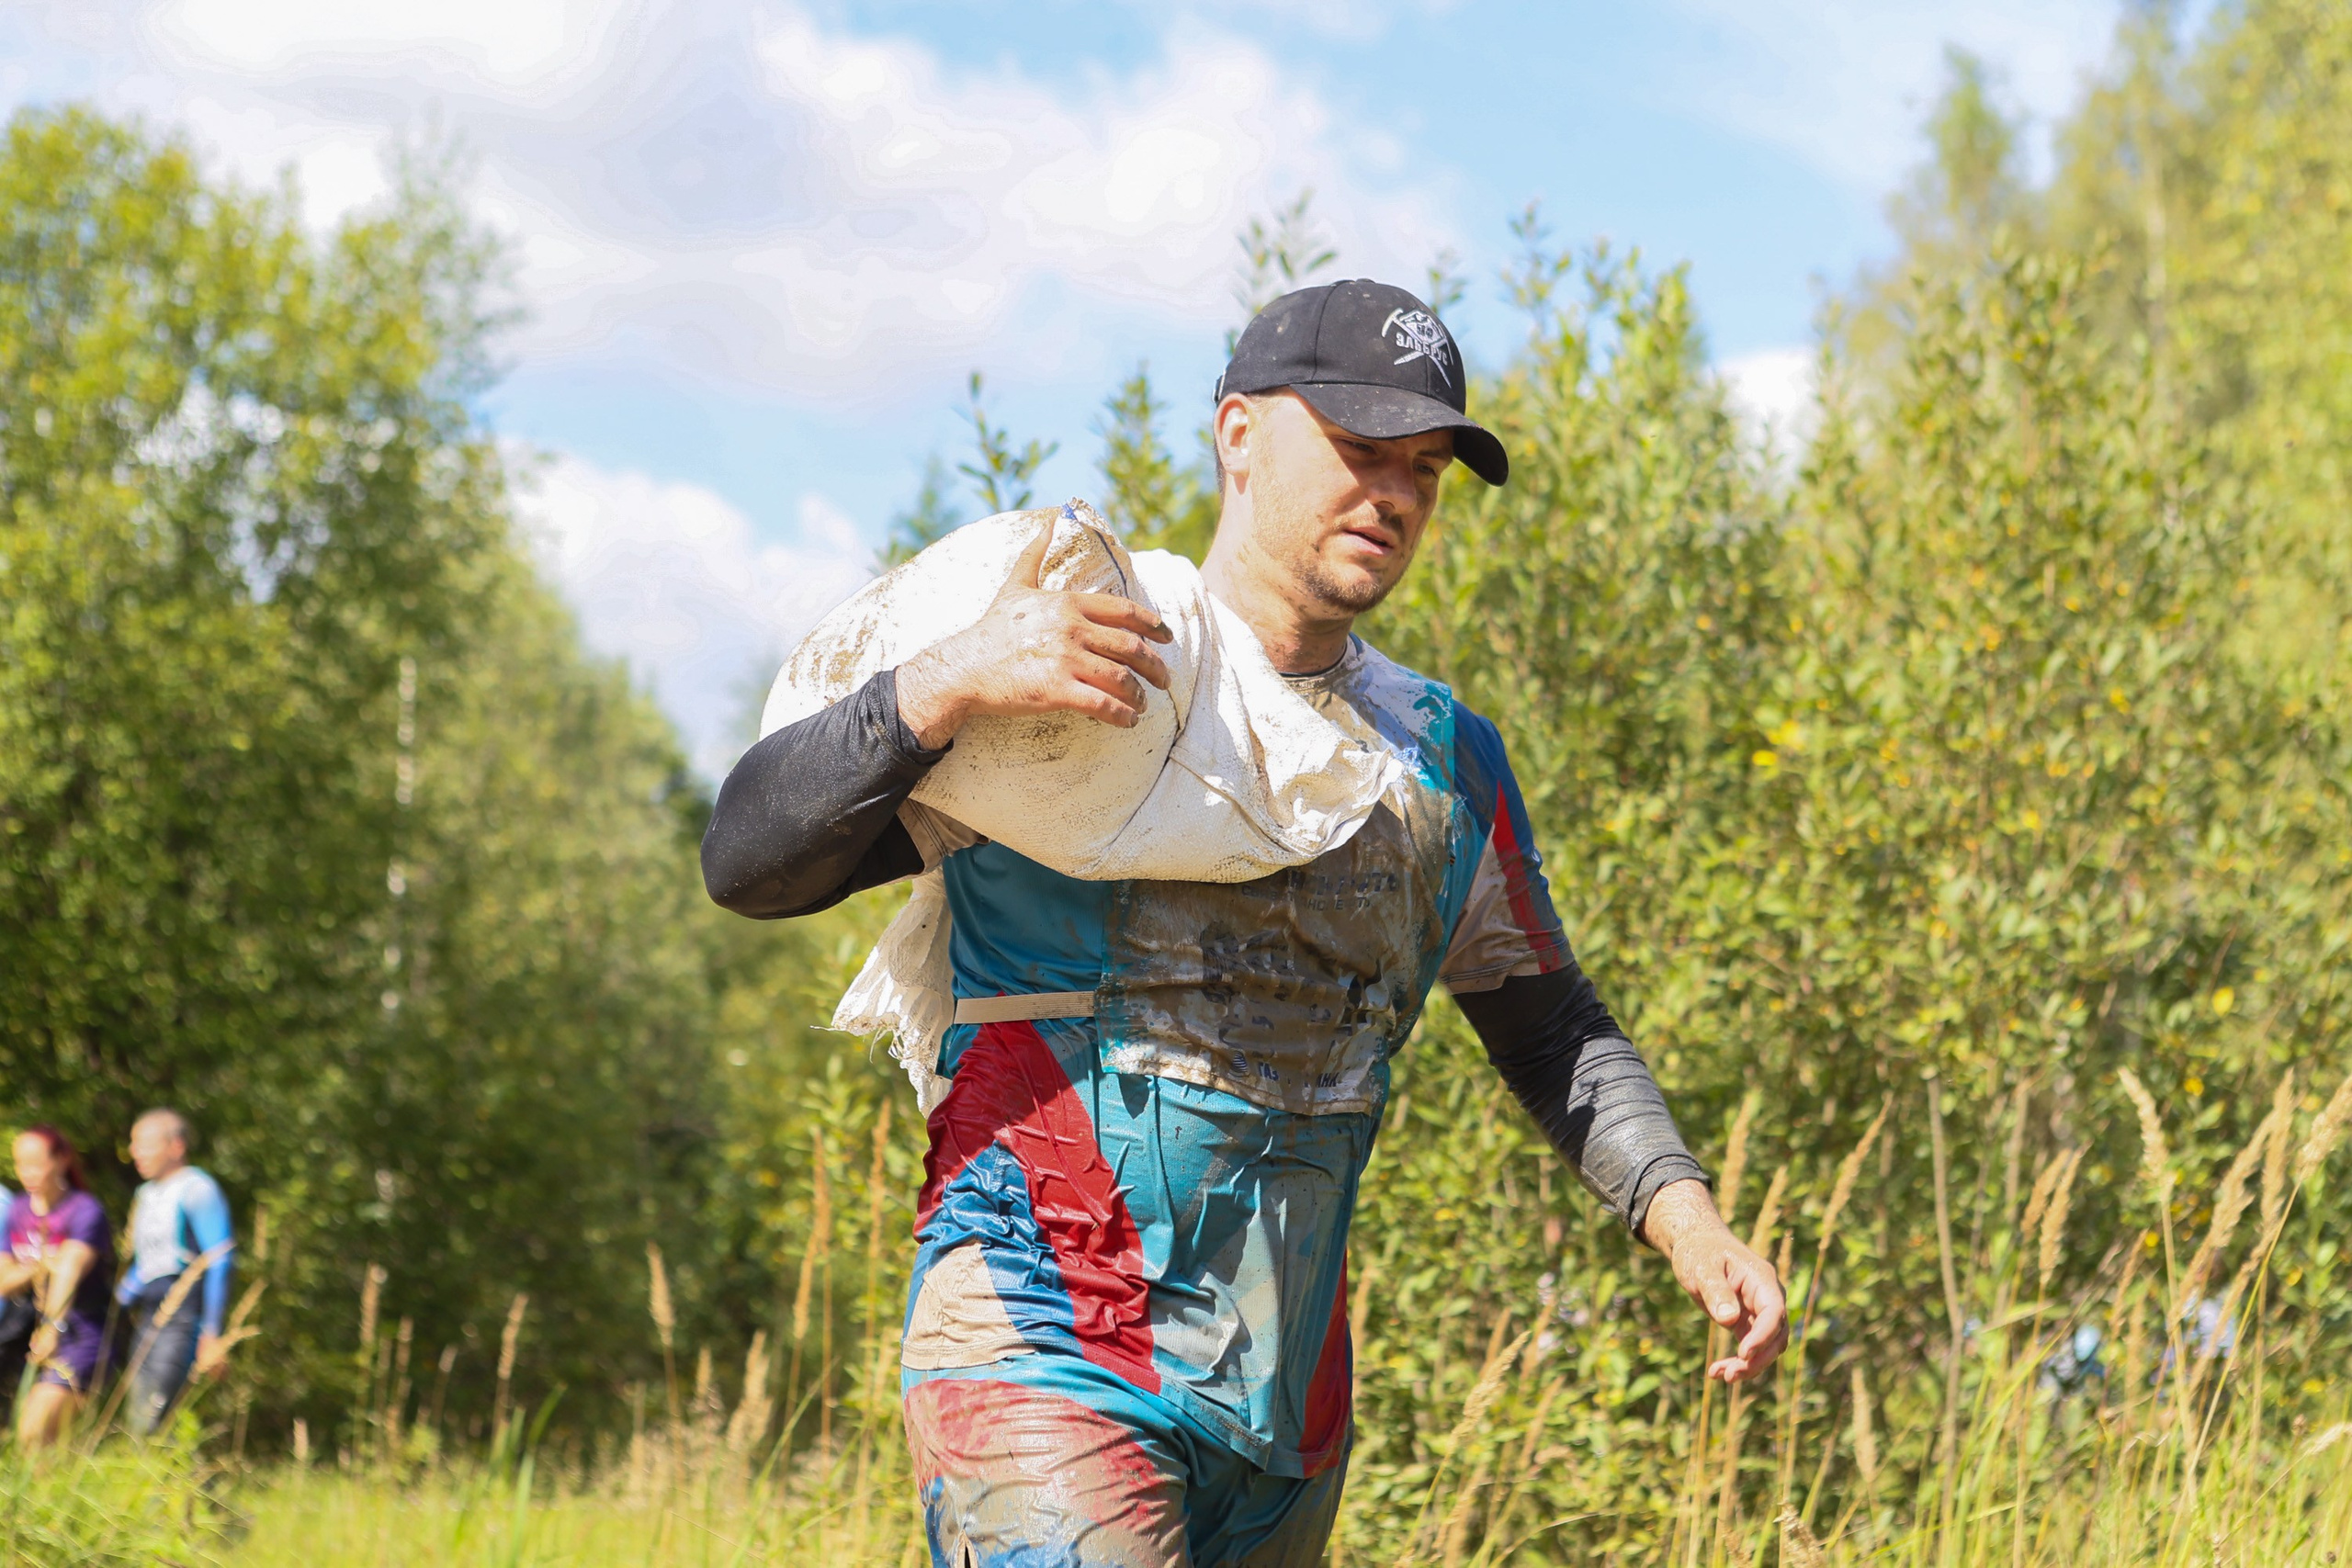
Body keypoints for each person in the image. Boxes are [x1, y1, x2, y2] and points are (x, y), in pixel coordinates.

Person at [702, 279, 1786, 1566]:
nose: (1394, 493)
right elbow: (750, 864)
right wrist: (942, 685)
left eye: (1425, 468)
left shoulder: (1442, 762)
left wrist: (1689, 1219)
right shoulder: (1075, 669)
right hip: (1044, 1339)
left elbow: (1552, 1030)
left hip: (1287, 1411)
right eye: (1360, 447)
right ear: (1237, 435)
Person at [117, 1109, 236, 1438]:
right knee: (138, 1411)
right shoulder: (146, 1194)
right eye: (134, 1144)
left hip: (183, 1316)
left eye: (145, 1144)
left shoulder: (197, 1188)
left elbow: (221, 1258)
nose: (135, 1152)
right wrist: (113, 1304)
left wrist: (212, 1333)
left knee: (156, 1411)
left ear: (176, 1146)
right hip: (148, 1316)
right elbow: (147, 1264)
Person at [2, 1126, 115, 1449]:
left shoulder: (85, 1210)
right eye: (21, 1164)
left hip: (80, 1331)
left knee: (34, 1430)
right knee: (31, 1442)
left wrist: (53, 1328)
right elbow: (4, 1282)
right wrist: (41, 1263)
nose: (28, 1173)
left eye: (37, 1164)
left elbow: (69, 1270)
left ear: (62, 1160)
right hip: (27, 1329)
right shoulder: (18, 1210)